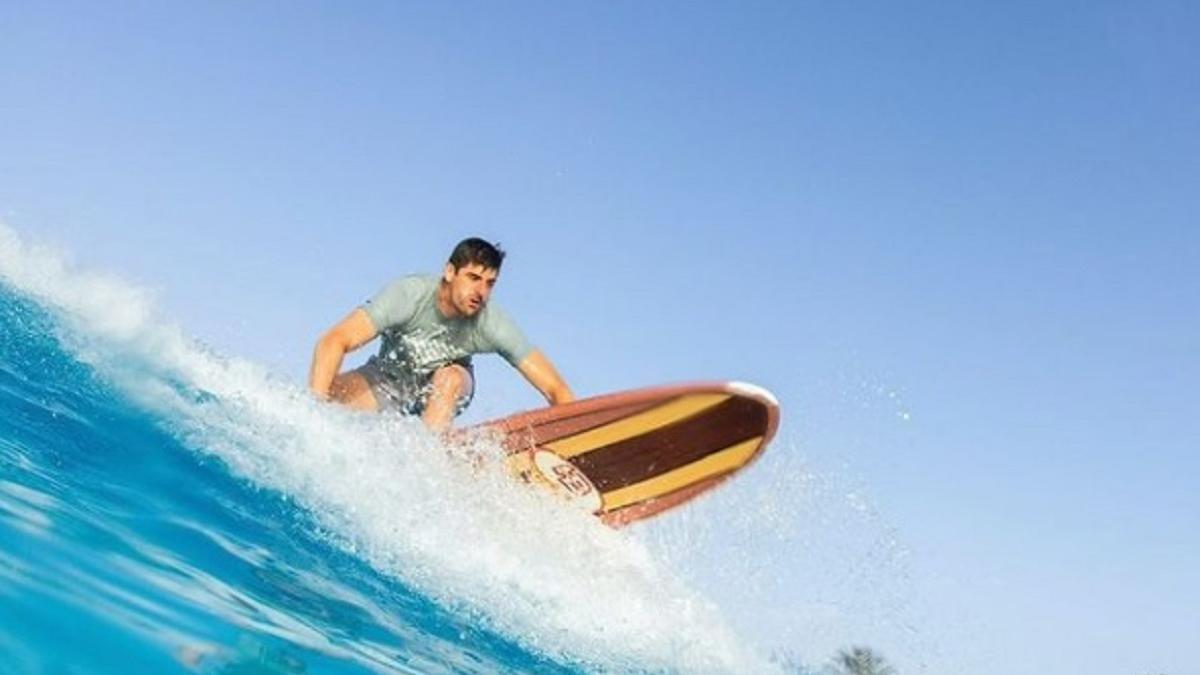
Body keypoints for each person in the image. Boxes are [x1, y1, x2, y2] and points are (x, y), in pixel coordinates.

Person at [308, 238, 574, 431]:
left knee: (449, 377)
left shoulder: (492, 322)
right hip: (388, 380)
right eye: (473, 277)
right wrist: (314, 410)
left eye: (490, 283)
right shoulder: (408, 295)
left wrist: (573, 440)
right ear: (449, 272)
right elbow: (333, 341)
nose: (481, 291)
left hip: (447, 389)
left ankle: (424, 462)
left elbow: (556, 388)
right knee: (328, 394)